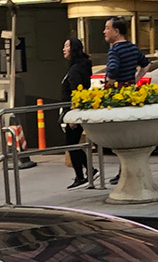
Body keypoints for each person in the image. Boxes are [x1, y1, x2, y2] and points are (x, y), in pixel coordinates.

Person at [103, 17, 150, 186]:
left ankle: (123, 172)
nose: (104, 31)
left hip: (119, 96)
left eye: (107, 28)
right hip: (131, 94)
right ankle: (128, 170)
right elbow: (146, 64)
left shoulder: (114, 50)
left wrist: (109, 84)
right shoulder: (132, 47)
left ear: (116, 31)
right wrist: (135, 80)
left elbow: (113, 69)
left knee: (120, 136)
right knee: (131, 134)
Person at [60, 37, 97, 190]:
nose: (64, 49)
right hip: (74, 110)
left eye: (66, 46)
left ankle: (83, 174)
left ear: (73, 49)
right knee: (72, 143)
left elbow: (76, 92)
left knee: (71, 144)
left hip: (73, 111)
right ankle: (86, 172)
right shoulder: (79, 66)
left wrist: (73, 116)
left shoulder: (75, 70)